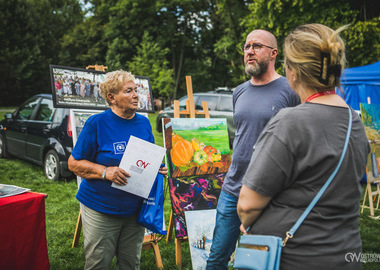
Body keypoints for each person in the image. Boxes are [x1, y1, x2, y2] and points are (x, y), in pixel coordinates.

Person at [237, 24, 370, 269]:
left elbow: (247, 204)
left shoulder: (290, 121)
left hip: (296, 257)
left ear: (293, 73)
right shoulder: (355, 122)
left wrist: (250, 221)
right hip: (346, 254)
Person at [206, 30, 300, 269]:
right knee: (217, 256)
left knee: (260, 259)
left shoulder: (290, 91)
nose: (249, 52)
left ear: (273, 53)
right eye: (246, 47)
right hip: (233, 186)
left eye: (256, 46)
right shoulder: (239, 91)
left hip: (270, 191)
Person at [68, 70, 168, 270]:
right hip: (101, 209)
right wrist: (106, 172)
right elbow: (74, 163)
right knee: (98, 264)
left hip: (134, 209)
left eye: (136, 90)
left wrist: (157, 167)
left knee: (131, 264)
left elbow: (144, 158)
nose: (135, 95)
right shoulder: (97, 124)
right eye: (128, 91)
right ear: (111, 97)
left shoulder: (143, 122)